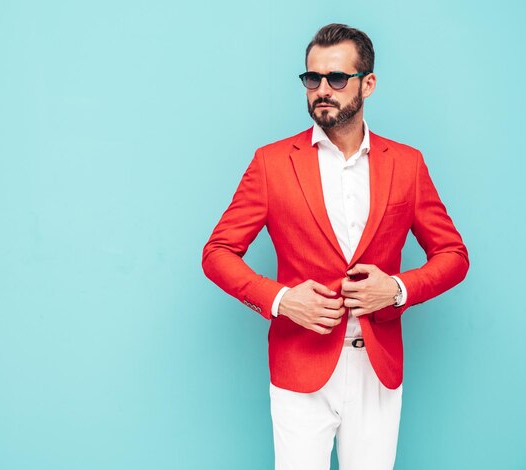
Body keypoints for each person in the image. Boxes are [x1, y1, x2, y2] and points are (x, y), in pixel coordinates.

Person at [201, 23, 469, 470]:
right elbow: (217, 252)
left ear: (368, 83)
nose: (322, 90)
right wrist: (282, 300)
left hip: (377, 368)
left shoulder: (407, 164)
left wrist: (397, 290)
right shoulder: (272, 163)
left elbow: (453, 256)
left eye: (336, 79)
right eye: (313, 79)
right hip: (299, 364)